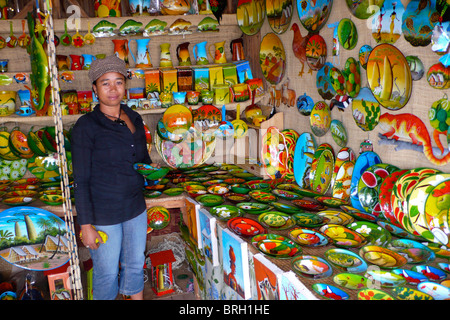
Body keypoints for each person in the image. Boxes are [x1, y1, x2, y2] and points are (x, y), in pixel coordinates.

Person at [71, 55, 158, 300]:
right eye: (105, 83)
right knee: (106, 272)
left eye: (118, 82)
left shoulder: (134, 118)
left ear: (125, 86)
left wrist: (154, 175)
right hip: (103, 214)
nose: (113, 89)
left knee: (134, 264)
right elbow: (81, 179)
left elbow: (142, 160)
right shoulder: (86, 127)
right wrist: (85, 225)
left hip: (135, 207)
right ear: (94, 89)